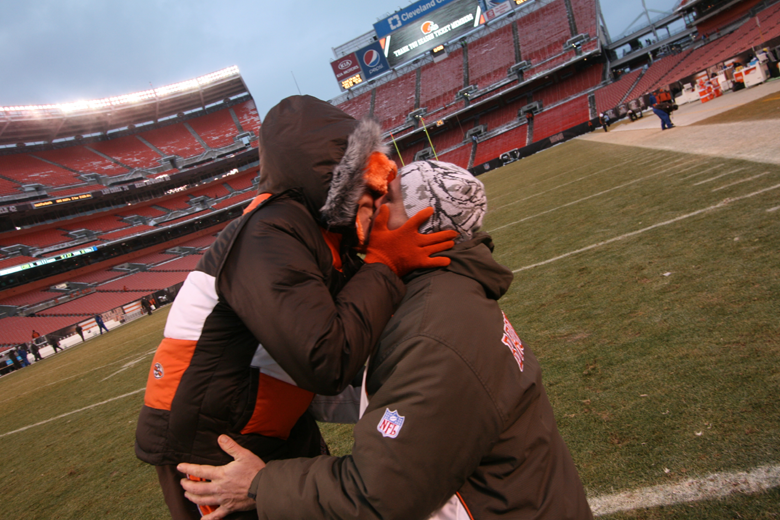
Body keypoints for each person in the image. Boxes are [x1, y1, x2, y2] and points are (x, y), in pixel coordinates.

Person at [179, 161, 593, 520]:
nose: (370, 207)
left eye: (387, 200)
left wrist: (259, 485)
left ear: (419, 222)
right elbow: (382, 388)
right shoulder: (442, 295)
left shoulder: (437, 330)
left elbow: (378, 494)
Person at [135, 96, 457, 520]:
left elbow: (359, 316)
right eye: (366, 181)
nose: (376, 196)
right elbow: (326, 359)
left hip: (268, 417)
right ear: (331, 177)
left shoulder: (316, 228)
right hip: (211, 440)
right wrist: (384, 264)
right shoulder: (268, 233)